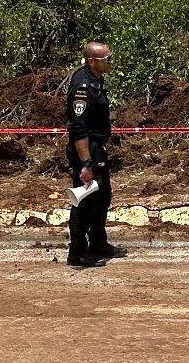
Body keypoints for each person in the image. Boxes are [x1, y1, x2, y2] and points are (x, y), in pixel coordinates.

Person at [64, 42, 126, 267]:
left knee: (102, 196)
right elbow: (78, 129)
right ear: (92, 61)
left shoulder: (95, 81)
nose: (110, 62)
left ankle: (98, 242)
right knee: (85, 200)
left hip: (97, 146)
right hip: (87, 148)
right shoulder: (82, 86)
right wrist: (86, 163)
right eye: (106, 59)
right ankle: (78, 252)